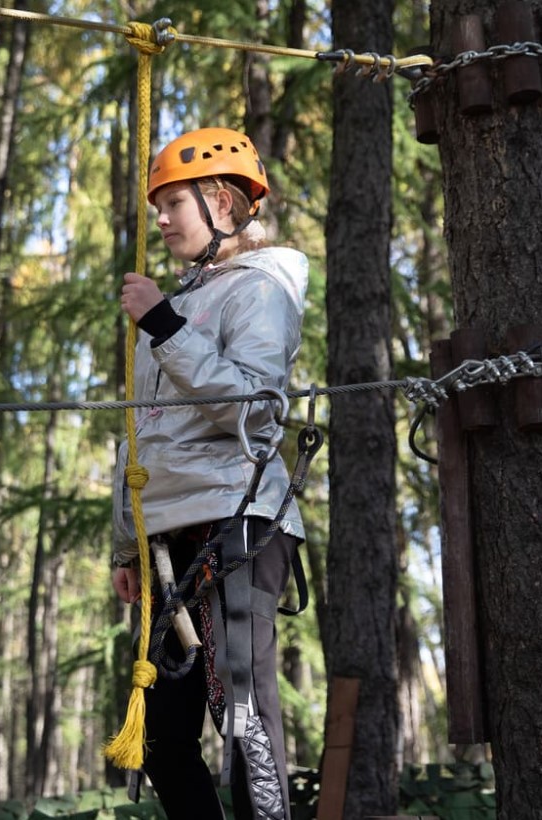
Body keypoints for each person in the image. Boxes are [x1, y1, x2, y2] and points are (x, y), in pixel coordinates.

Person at [111, 127, 308, 820]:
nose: (159, 219)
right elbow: (140, 436)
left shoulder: (261, 289)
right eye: (156, 205)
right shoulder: (175, 304)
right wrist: (124, 542)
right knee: (163, 737)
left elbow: (254, 414)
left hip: (238, 525)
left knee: (242, 715)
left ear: (221, 203)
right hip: (166, 540)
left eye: (172, 203)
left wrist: (165, 327)